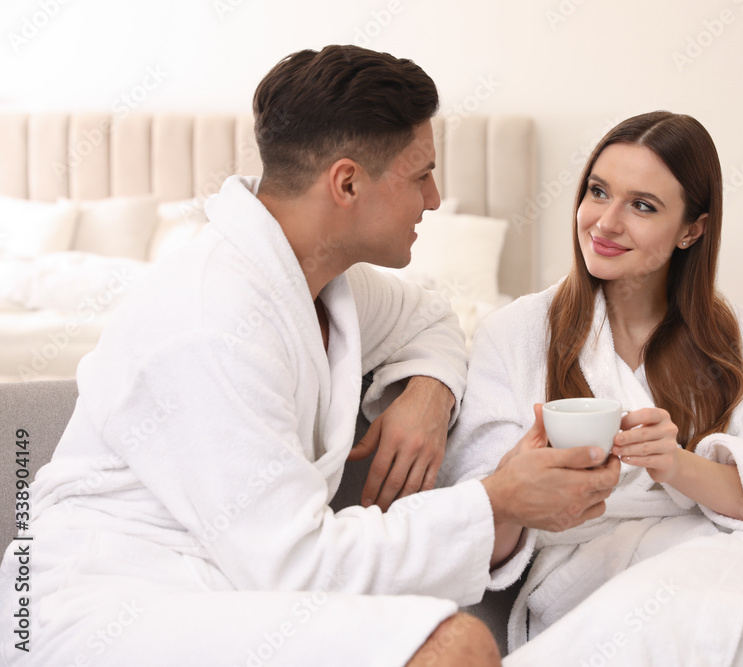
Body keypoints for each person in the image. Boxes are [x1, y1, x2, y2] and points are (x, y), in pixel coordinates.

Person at [0, 46, 619, 667]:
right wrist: (497, 499)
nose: (434, 199)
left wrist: (430, 392)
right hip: (108, 599)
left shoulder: (316, 277)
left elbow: (429, 317)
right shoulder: (212, 322)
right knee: (453, 647)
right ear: (346, 183)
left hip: (232, 577)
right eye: (421, 175)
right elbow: (294, 563)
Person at [439, 111, 743, 665]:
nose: (605, 222)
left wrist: (676, 465)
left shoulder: (733, 336)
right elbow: (474, 529)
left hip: (741, 566)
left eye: (642, 205)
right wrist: (523, 483)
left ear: (692, 228)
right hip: (597, 588)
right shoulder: (518, 332)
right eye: (598, 192)